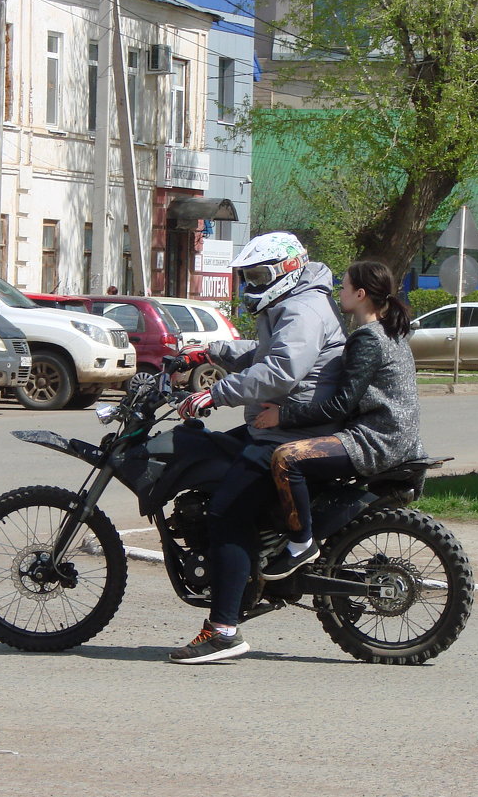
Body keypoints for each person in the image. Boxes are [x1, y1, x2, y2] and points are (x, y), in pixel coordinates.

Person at [169, 232, 346, 664]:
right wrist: (209, 352)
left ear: (287, 269)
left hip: (291, 432)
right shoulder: (290, 303)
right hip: (277, 425)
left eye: (258, 275)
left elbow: (282, 370)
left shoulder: (302, 307)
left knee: (226, 512)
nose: (251, 285)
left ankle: (224, 629)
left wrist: (217, 392)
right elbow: (264, 353)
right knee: (208, 453)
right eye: (246, 276)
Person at [252, 260, 424, 580]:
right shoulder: (394, 331)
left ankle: (301, 543)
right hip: (403, 440)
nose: (338, 292)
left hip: (375, 441)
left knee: (286, 459)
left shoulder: (367, 338)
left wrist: (282, 416)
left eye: (343, 286)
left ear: (360, 294)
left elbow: (340, 405)